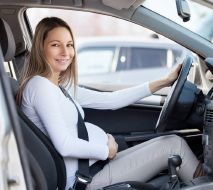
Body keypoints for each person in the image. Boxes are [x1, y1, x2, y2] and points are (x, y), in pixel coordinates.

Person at [15, 17, 203, 190]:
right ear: (41, 48)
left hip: (95, 166)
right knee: (174, 146)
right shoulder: (39, 86)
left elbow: (111, 100)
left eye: (69, 44)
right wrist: (107, 150)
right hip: (84, 179)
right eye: (56, 45)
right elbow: (64, 145)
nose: (66, 52)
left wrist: (163, 81)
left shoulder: (59, 86)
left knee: (171, 141)